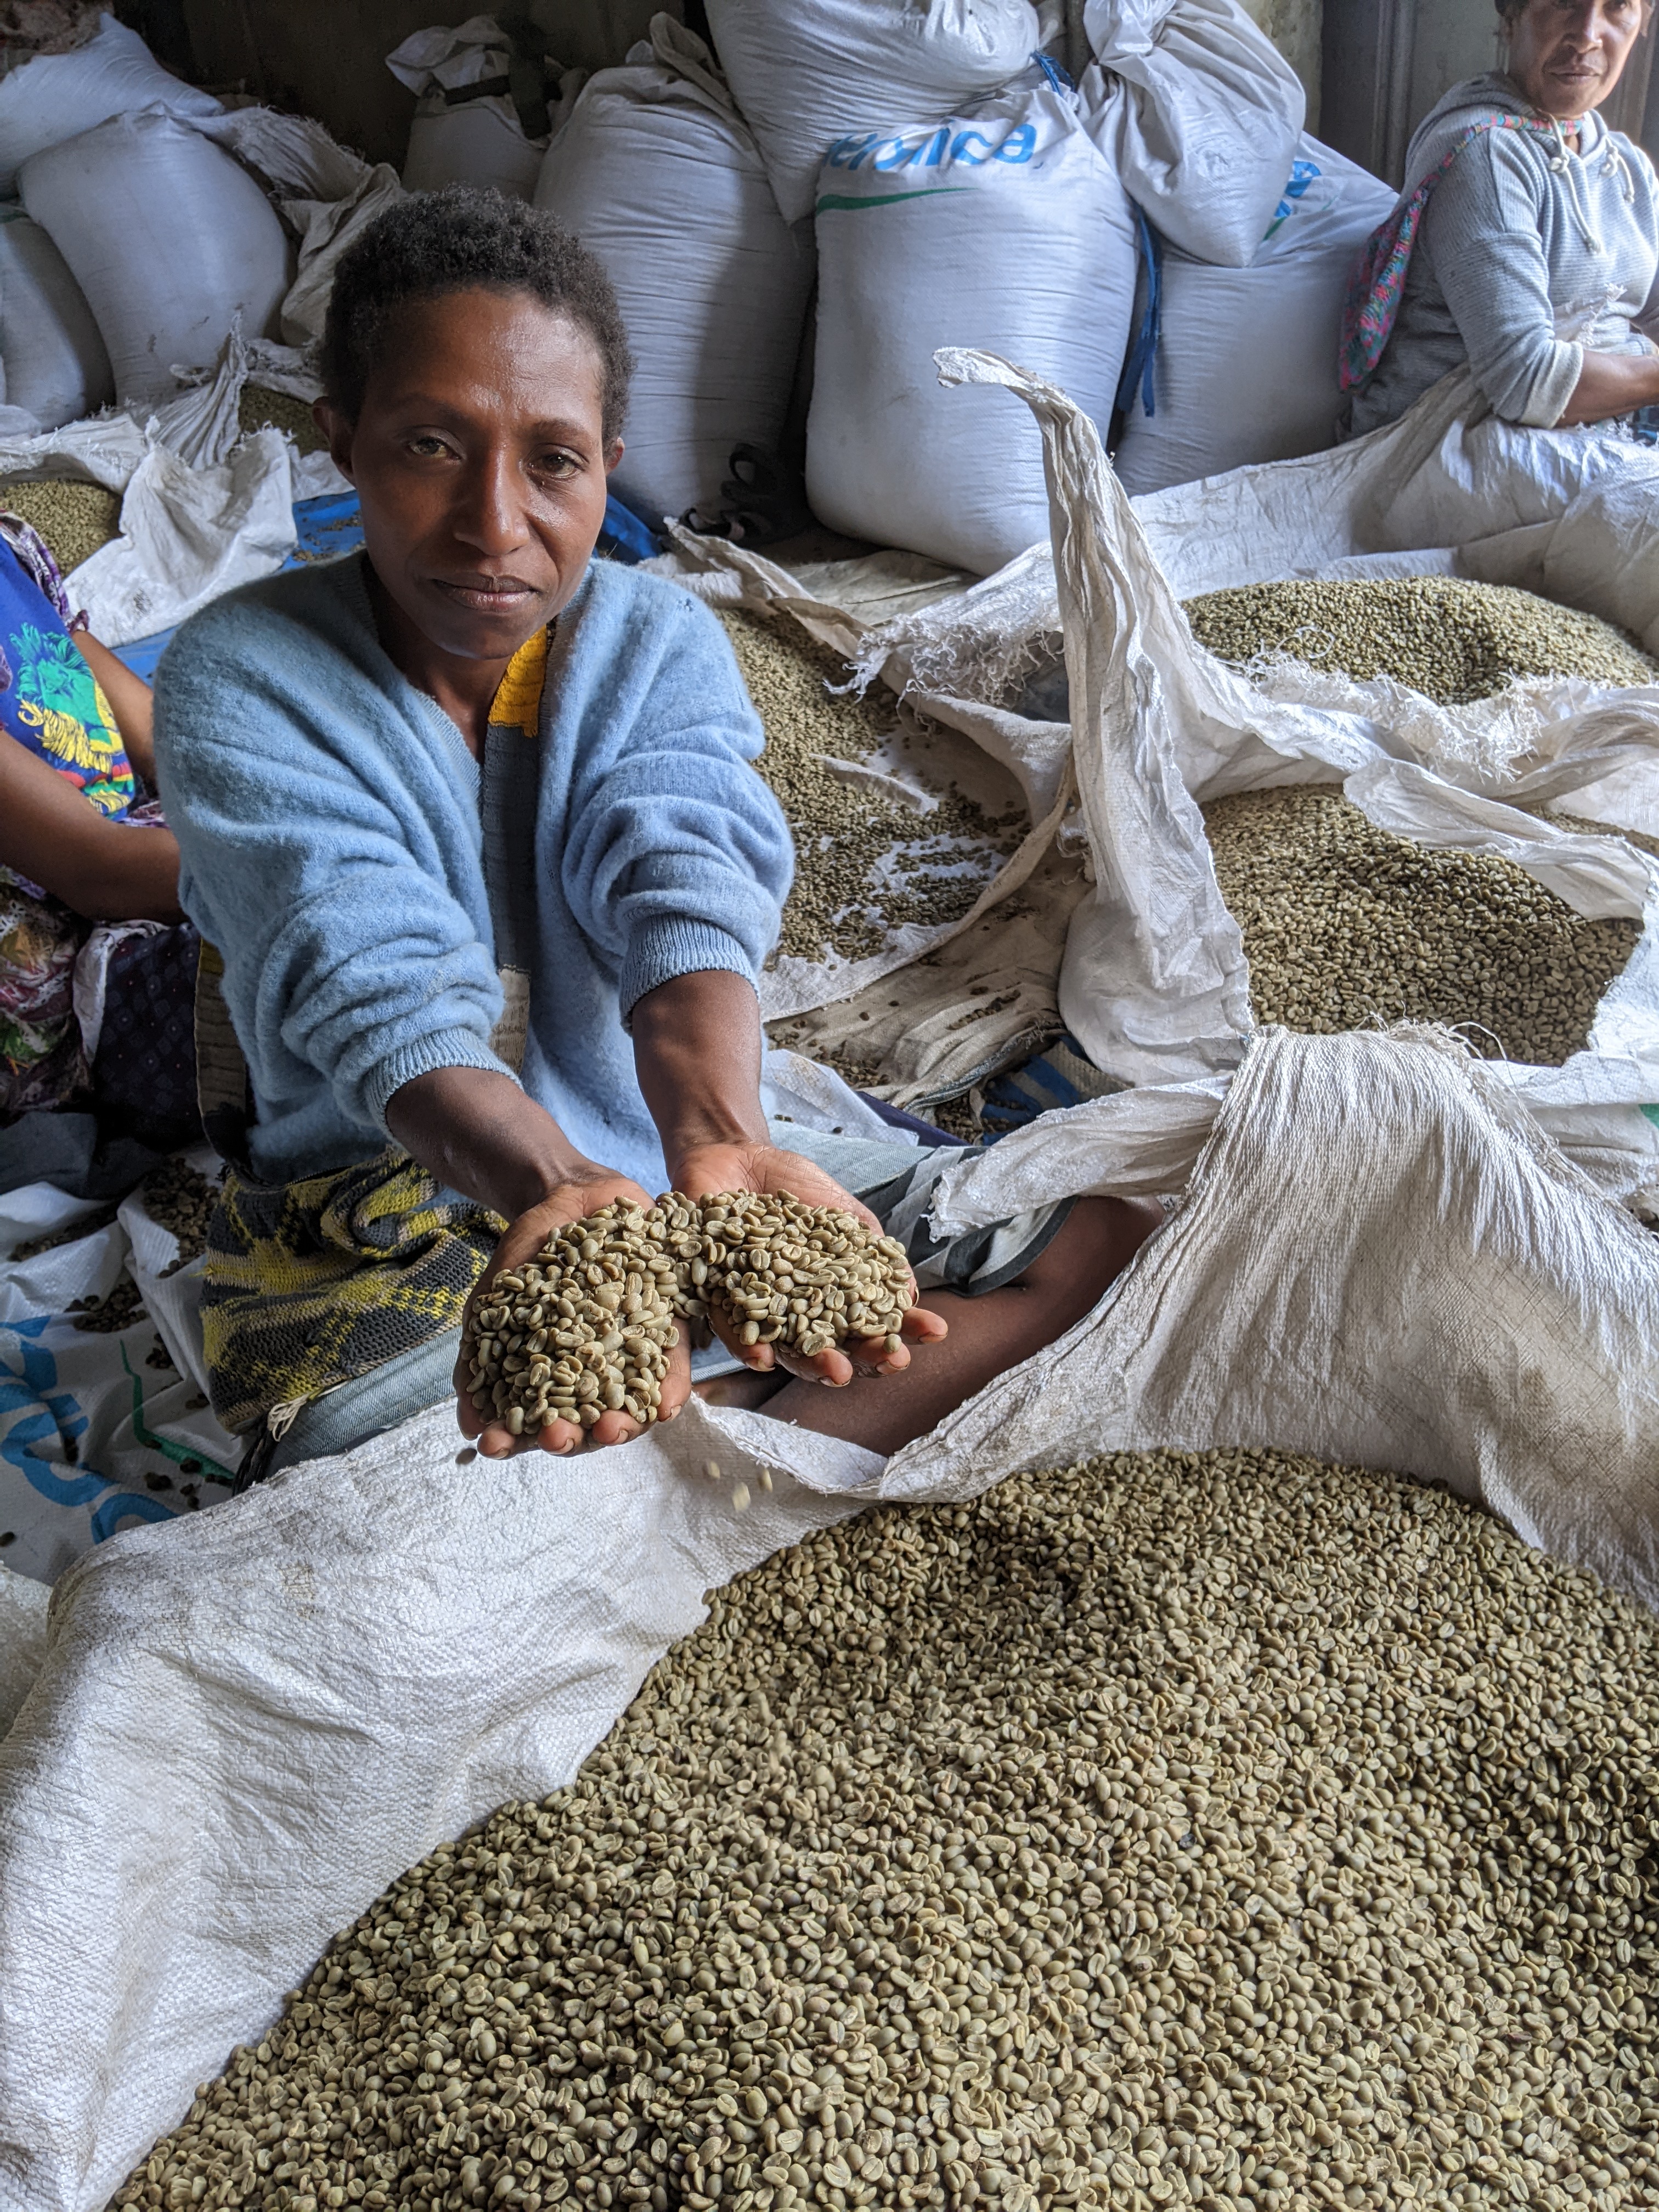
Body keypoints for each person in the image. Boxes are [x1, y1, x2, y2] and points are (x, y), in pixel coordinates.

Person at [151, 187, 1160, 1483]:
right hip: (381, 1209)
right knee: (388, 1467)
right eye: (431, 447)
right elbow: (364, 973)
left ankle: (681, 1477)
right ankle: (750, 1456)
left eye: (553, 459)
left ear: (608, 465)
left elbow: (678, 886)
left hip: (663, 1146)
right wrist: (556, 1193)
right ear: (342, 442)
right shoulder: (241, 674)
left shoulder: (656, 638)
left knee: (1104, 1237)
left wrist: (719, 1142)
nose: (496, 524)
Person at [1344, 0, 1659, 437]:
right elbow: (1525, 380)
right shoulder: (1487, 156)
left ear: (1644, 21)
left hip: (1587, 428)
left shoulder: (1625, 166)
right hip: (1457, 444)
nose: (1587, 34)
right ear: (1512, 15)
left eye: (1618, 6)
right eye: (1565, 2)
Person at [0, 511, 200, 1151]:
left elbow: (158, 739)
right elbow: (100, 874)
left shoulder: (10, 547)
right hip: (73, 978)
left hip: (146, 853)